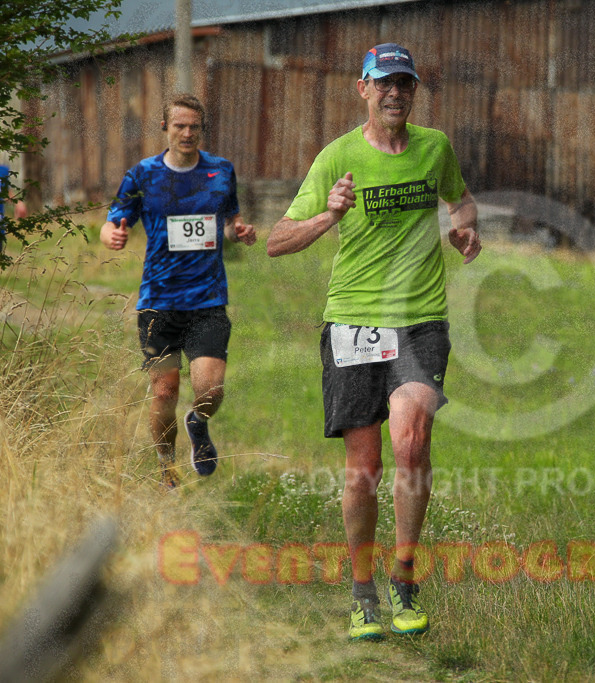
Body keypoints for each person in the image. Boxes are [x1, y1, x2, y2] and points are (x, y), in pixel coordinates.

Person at [267, 43, 481, 640]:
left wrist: (465, 228)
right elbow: (277, 240)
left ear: (414, 92)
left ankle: (405, 577)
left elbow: (458, 197)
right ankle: (363, 592)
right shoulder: (336, 157)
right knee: (363, 469)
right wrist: (328, 217)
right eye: (383, 83)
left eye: (405, 84)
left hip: (420, 319)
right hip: (353, 322)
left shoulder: (435, 148)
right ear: (362, 89)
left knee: (410, 442)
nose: (395, 93)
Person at [100, 93, 257, 490]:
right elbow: (113, 220)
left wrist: (239, 231)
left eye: (194, 127)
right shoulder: (142, 175)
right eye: (179, 126)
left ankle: (198, 423)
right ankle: (166, 466)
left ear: (202, 130)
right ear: (165, 129)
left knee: (210, 388)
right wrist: (111, 235)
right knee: (165, 392)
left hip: (207, 300)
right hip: (158, 303)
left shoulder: (221, 171)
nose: (187, 133)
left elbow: (230, 220)